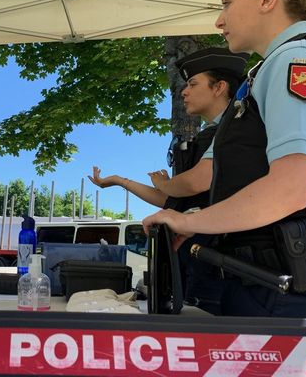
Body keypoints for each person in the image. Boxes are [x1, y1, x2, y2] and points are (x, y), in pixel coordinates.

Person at [143, 0, 306, 318]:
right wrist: (193, 220)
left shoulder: (298, 60)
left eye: (227, 3)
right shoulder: (278, 65)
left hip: (281, 292)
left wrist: (193, 221)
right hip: (270, 284)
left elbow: (291, 189)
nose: (219, 20)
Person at [89, 48, 248, 313]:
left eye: (193, 84)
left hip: (220, 261)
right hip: (200, 259)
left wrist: (167, 184)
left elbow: (194, 183)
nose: (184, 92)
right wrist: (120, 181)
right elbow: (174, 200)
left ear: (219, 87)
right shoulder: (213, 134)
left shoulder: (233, 131)